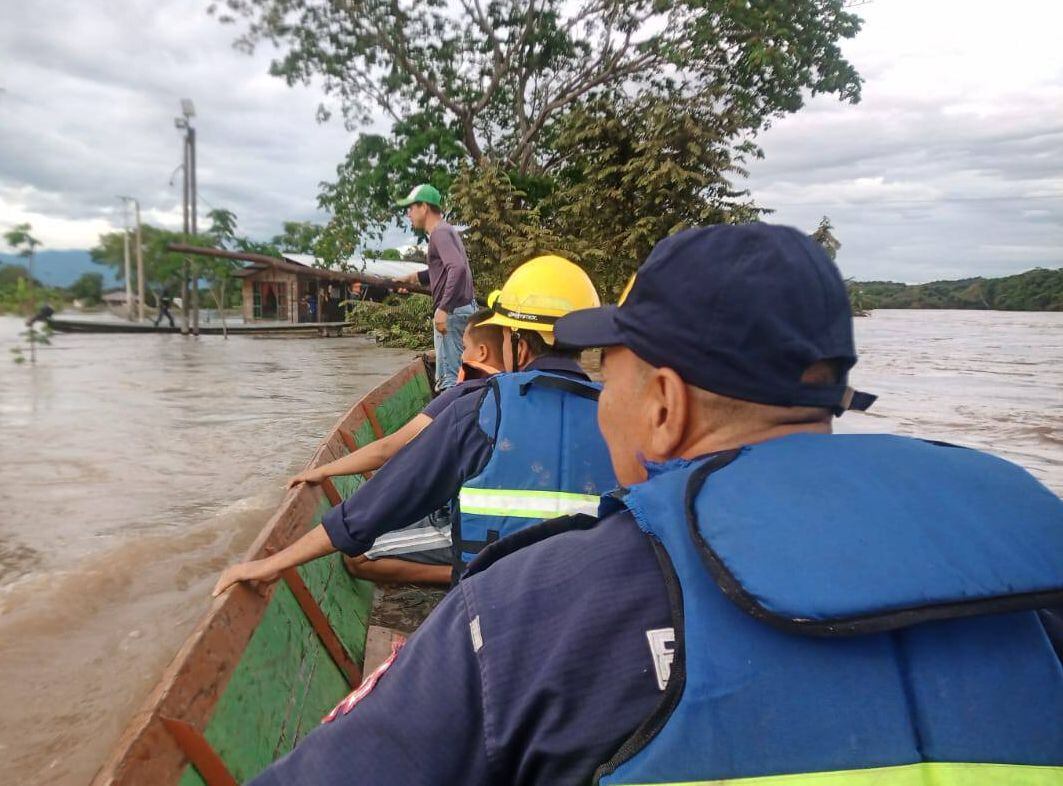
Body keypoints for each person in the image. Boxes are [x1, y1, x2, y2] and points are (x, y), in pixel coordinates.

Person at [244, 224, 1063, 785]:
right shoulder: (1023, 577)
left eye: (609, 371)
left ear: (665, 405)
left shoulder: (529, 608)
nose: (598, 396)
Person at [213, 254, 616, 595]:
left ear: (520, 344)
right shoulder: (623, 417)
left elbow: (371, 510)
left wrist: (271, 563)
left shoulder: (480, 410)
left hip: (493, 608)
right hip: (587, 605)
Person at [290, 309, 506, 586]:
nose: (461, 356)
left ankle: (467, 573)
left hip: (469, 527)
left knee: (357, 557)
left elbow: (388, 449)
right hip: (503, 520)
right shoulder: (519, 396)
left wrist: (324, 471)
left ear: (483, 352)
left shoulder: (465, 394)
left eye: (464, 348)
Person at [396, 183, 476, 391]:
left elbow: (456, 269)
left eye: (411, 208)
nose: (408, 214)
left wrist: (443, 309)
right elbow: (443, 272)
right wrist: (412, 278)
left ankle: (453, 422)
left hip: (452, 312)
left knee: (450, 381)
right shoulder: (447, 230)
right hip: (463, 308)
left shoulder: (439, 233)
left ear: (424, 207)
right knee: (462, 374)